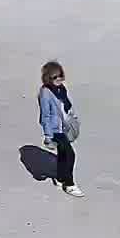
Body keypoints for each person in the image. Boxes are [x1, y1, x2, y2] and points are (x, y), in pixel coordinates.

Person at [38, 61, 83, 197]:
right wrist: (48, 136)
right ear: (48, 78)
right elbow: (45, 116)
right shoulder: (45, 93)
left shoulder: (61, 89)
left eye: (60, 75)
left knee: (63, 153)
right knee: (70, 154)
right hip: (55, 129)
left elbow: (66, 105)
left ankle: (60, 177)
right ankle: (69, 184)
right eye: (55, 77)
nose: (59, 79)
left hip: (64, 126)